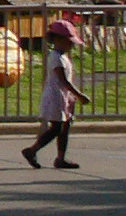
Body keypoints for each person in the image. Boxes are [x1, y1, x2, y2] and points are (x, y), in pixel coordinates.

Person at [22, 18, 89, 170]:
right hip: (56, 96)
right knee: (57, 128)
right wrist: (79, 95)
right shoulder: (56, 57)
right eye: (68, 41)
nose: (71, 45)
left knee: (65, 126)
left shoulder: (63, 56)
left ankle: (60, 157)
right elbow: (63, 80)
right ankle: (32, 150)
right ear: (58, 39)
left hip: (63, 95)